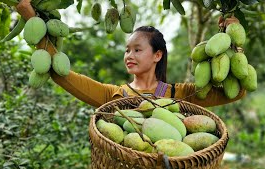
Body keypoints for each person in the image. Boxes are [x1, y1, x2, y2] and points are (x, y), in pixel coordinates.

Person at [50, 26, 246, 108]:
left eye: (137, 50)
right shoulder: (115, 95)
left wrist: (234, 43)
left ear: (157, 55)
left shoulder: (178, 94)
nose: (129, 56)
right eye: (127, 50)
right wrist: (35, 22)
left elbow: (235, 93)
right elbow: (62, 75)